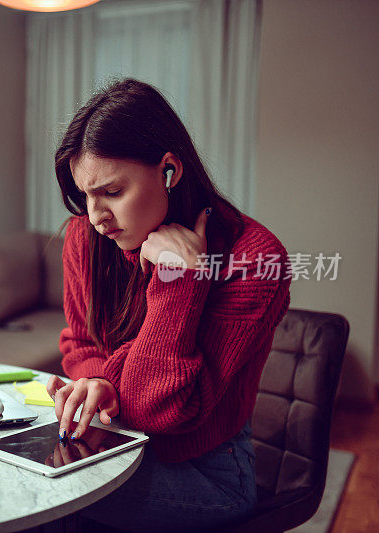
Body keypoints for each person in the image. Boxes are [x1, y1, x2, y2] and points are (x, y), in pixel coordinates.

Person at [45, 78, 291, 532]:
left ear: (169, 171)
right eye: (85, 195)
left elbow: (164, 410)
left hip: (208, 471)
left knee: (45, 501)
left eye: (112, 193)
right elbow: (79, 341)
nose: (96, 216)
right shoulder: (85, 236)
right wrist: (98, 380)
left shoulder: (255, 258)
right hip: (114, 441)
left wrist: (180, 277)